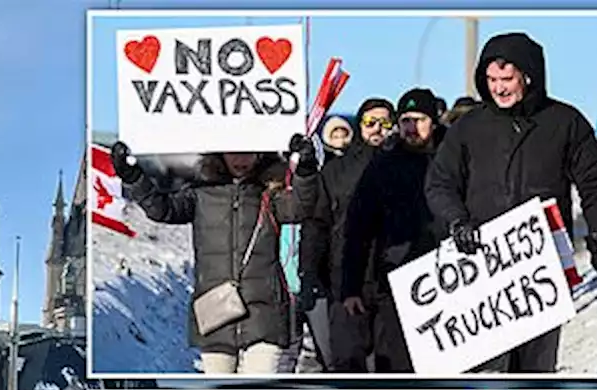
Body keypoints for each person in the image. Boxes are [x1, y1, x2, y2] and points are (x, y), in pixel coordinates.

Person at [425, 33, 597, 373]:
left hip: (540, 268)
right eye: (491, 80)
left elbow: (596, 185)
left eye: (506, 79)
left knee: (534, 371)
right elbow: (440, 183)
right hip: (481, 270)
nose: (498, 88)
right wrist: (457, 221)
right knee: (485, 372)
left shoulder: (565, 122)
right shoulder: (468, 128)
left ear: (528, 76)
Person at [112, 142, 306, 374]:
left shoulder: (271, 194)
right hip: (216, 311)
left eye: (247, 151)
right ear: (220, 151)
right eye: (234, 150)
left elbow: (302, 206)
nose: (240, 159)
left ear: (260, 152)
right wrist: (134, 178)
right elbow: (162, 209)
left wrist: (307, 171)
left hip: (264, 311)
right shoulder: (201, 192)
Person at [341, 88, 443, 373]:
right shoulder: (383, 164)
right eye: (405, 120)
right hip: (397, 277)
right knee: (397, 365)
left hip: (448, 276)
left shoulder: (452, 156)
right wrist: (351, 286)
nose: (411, 128)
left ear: (433, 122)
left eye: (419, 120)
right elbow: (358, 226)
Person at [294, 97, 395, 372]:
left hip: (393, 282)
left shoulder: (404, 167)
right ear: (360, 125)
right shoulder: (336, 170)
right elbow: (317, 223)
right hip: (345, 280)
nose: (378, 129)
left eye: (385, 123)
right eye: (370, 122)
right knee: (348, 363)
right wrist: (309, 271)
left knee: (392, 367)